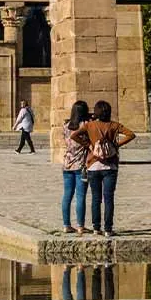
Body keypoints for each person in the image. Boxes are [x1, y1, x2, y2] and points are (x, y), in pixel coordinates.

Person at [70, 100, 136, 237]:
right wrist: (116, 144)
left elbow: (74, 135)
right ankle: (108, 228)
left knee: (96, 198)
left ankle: (96, 228)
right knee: (109, 198)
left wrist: (88, 144)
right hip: (110, 166)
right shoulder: (114, 125)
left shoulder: (90, 125)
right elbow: (131, 134)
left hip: (93, 165)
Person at [60, 100, 91, 234]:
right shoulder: (85, 125)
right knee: (80, 196)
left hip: (67, 163)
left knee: (67, 195)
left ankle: (66, 224)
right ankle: (80, 225)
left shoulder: (66, 125)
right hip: (80, 164)